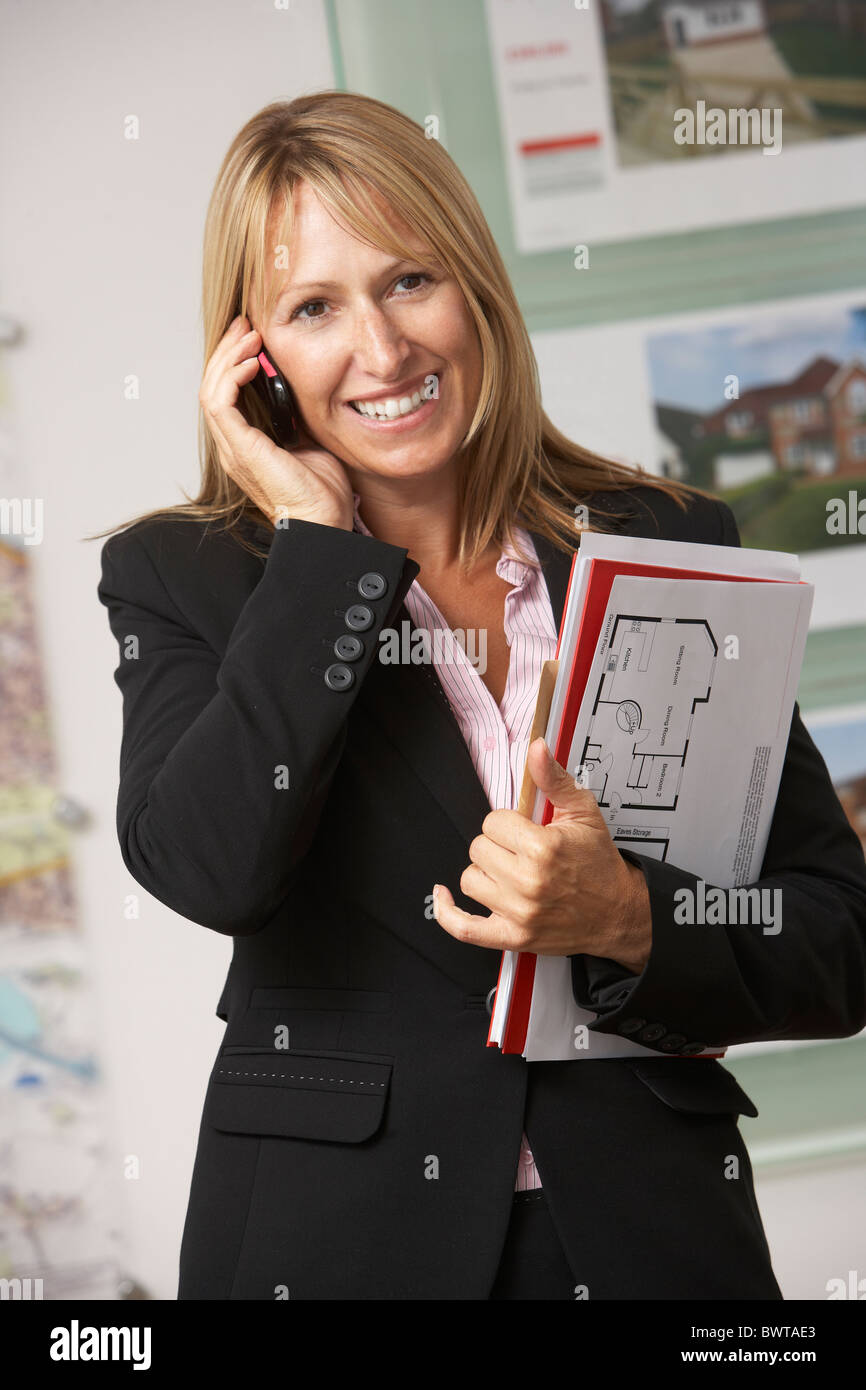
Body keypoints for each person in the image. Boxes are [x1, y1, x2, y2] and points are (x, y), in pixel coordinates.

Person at [94, 91, 866, 1301]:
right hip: (336, 1244)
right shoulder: (181, 575)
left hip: (650, 1239)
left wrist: (627, 918)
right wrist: (318, 549)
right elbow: (207, 869)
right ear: (255, 359)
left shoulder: (670, 539)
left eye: (409, 281)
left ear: (476, 286)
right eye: (314, 308)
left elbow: (834, 935)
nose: (384, 352)